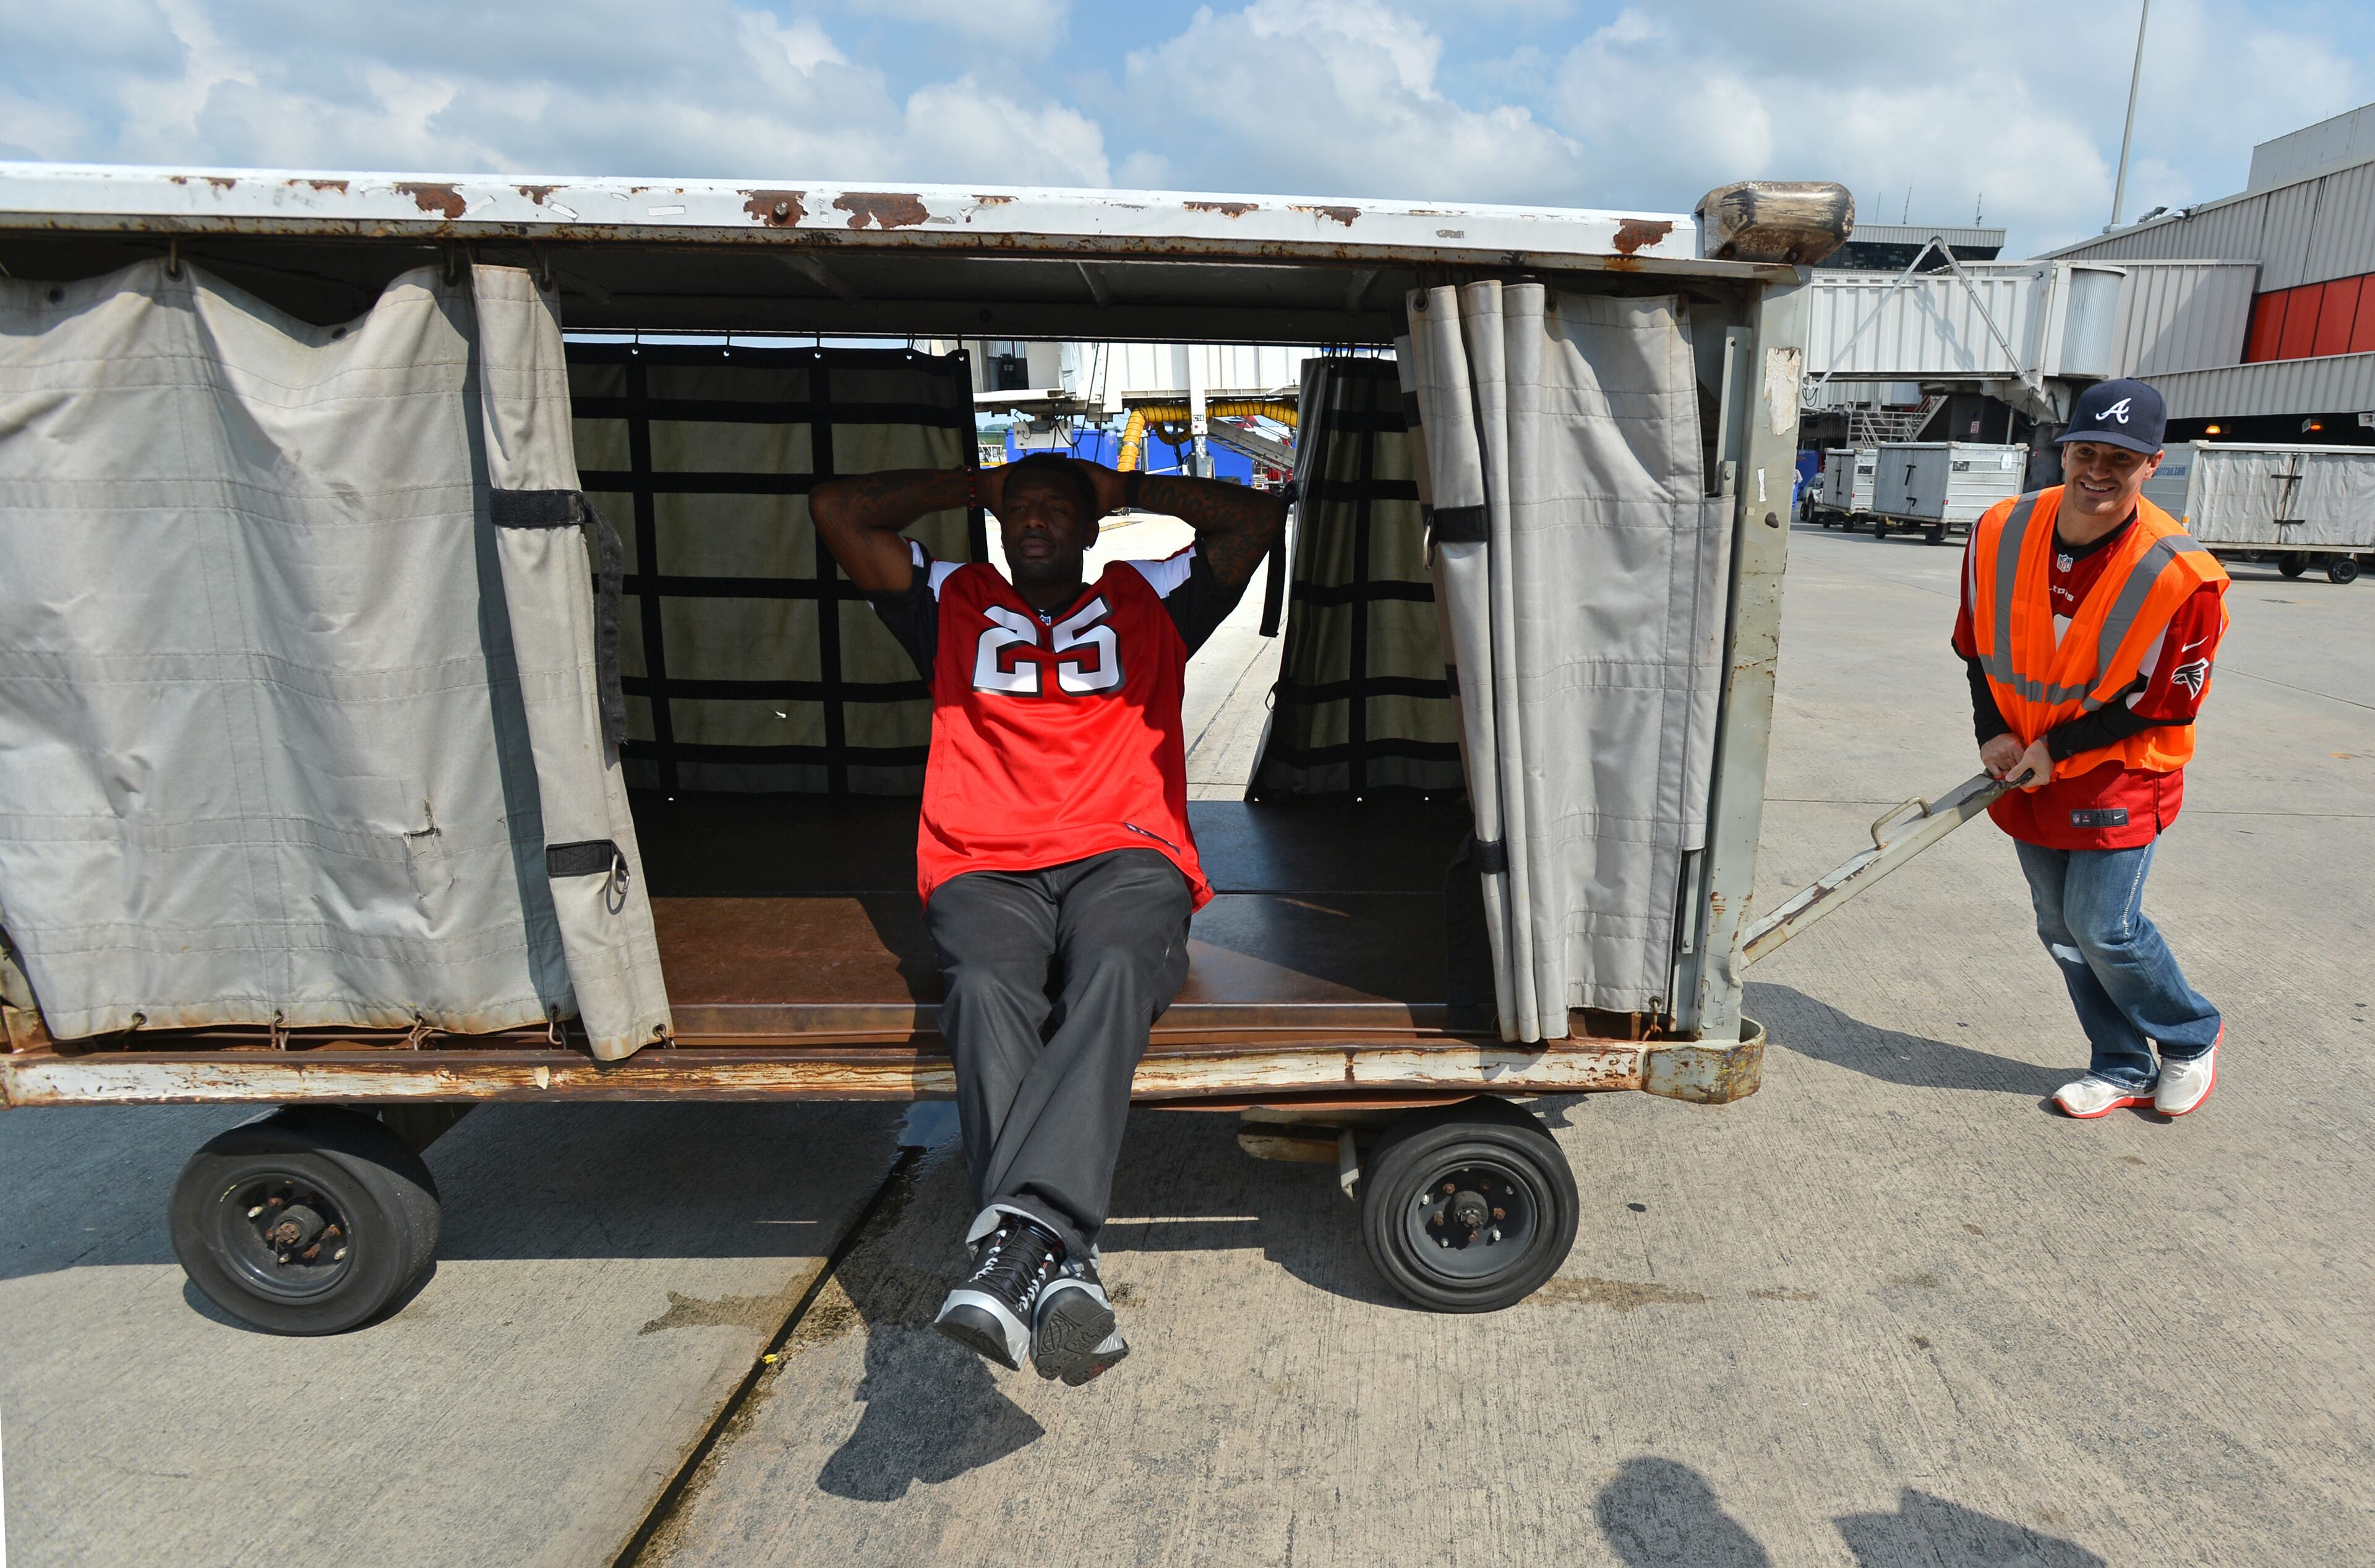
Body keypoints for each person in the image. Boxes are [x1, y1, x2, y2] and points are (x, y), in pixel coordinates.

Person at [810, 452, 1285, 1382]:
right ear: (994, 520)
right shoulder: (948, 595)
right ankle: (1060, 1256)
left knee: (1116, 966)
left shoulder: (1152, 596)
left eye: (1055, 507)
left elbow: (1255, 523)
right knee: (987, 988)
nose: (1034, 519)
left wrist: (1131, 485)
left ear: (1091, 523)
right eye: (1017, 507)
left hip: (1126, 852)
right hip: (985, 860)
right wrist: (967, 482)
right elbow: (838, 507)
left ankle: (1016, 1246)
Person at [1951, 379, 2229, 1120]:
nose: (2097, 470)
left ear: (2153, 465)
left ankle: (2190, 1034)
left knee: (2105, 927)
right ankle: (2121, 1062)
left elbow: (2164, 701)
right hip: (2028, 765)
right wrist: (1995, 732)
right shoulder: (2001, 529)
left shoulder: (2181, 576)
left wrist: (2059, 747)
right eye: (2085, 451)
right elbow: (1979, 647)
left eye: (2120, 458)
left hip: (2118, 772)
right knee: (2059, 928)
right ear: (2062, 449)